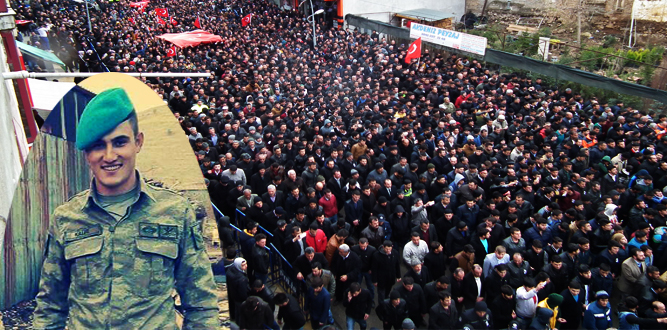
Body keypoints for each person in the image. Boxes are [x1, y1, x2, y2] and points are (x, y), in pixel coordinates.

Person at [32, 88, 218, 329]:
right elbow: (50, 307)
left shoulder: (175, 212)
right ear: (87, 152)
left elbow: (201, 304)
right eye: (98, 145)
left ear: (138, 142)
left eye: (119, 142)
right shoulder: (66, 218)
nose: (109, 156)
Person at [351, 238, 377, 305]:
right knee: (357, 285)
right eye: (361, 246)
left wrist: (371, 269)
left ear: (367, 244)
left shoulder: (372, 250)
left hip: (368, 271)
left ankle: (371, 300)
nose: (362, 248)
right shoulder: (354, 249)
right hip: (358, 270)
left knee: (370, 286)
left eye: (364, 246)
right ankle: (358, 299)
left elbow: (374, 261)